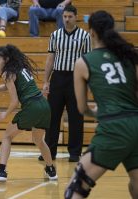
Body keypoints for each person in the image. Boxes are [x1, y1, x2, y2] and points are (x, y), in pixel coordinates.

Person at [65, 10, 138, 199]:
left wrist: (100, 112)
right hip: (136, 124)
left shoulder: (84, 62)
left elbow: (82, 109)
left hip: (114, 129)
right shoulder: (130, 56)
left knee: (75, 189)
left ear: (92, 33)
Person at [0, 44, 58, 182]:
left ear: (7, 59)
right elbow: (10, 86)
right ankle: (51, 170)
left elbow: (15, 101)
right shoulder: (21, 69)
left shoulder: (7, 73)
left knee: (6, 137)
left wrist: (6, 113)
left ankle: (1, 172)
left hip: (31, 107)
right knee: (39, 140)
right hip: (44, 106)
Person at [40, 5, 91, 162]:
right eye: (65, 17)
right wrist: (45, 81)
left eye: (70, 16)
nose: (67, 19)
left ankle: (75, 153)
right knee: (52, 116)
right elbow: (50, 60)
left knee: (76, 117)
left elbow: (88, 61)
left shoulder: (85, 36)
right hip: (58, 78)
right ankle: (49, 151)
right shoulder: (55, 35)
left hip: (76, 79)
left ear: (76, 17)